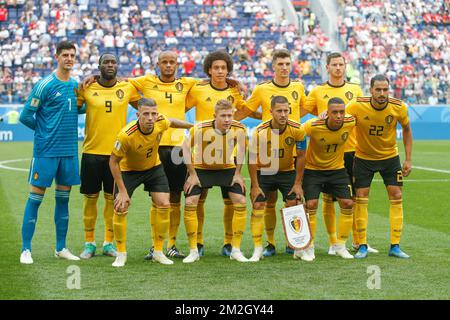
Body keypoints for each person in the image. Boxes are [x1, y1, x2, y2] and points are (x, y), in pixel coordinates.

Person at [234, 48, 307, 257]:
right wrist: (229, 121)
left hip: (290, 151)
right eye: (280, 64)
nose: (284, 68)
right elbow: (247, 111)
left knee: (292, 201)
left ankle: (293, 242)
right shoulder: (261, 89)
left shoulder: (299, 87)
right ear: (273, 66)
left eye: (287, 64)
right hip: (267, 152)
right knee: (269, 200)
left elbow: (306, 107)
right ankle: (271, 243)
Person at [127, 51, 199, 260]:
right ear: (158, 64)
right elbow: (124, 85)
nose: (168, 65)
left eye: (172, 62)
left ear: (177, 65)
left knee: (176, 196)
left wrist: (231, 80)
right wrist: (141, 109)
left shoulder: (186, 83)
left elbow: (209, 82)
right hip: (155, 147)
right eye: (164, 62)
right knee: (157, 198)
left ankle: (172, 244)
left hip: (178, 148)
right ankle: (155, 245)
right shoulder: (147, 81)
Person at [302, 52, 375, 255]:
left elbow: (362, 117)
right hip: (326, 153)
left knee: (355, 198)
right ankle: (333, 242)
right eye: (334, 64)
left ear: (345, 66)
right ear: (327, 67)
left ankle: (360, 241)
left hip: (352, 151)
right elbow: (301, 112)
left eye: (341, 64)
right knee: (326, 199)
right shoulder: (317, 91)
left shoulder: (355, 89)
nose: (337, 68)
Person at [109, 98, 193, 267]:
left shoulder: (160, 122)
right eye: (146, 114)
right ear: (138, 114)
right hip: (128, 171)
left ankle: (158, 251)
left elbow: (173, 122)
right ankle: (121, 253)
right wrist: (123, 191)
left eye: (153, 114)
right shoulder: (126, 135)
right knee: (120, 206)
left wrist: (192, 127)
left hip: (153, 168)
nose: (150, 117)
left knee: (164, 204)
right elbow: (113, 162)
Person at [19, 41, 80, 264]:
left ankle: (61, 247)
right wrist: (43, 132)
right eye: (65, 55)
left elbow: (82, 106)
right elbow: (26, 116)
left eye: (72, 55)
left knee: (63, 200)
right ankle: (26, 249)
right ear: (57, 57)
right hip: (46, 151)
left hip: (69, 152)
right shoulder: (44, 85)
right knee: (35, 199)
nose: (69, 59)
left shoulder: (75, 85)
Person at [77, 53, 141, 259]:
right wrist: (90, 78)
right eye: (106, 62)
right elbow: (73, 108)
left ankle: (107, 243)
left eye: (114, 62)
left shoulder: (127, 88)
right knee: (90, 199)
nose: (110, 65)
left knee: (111, 200)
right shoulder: (87, 87)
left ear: (117, 65)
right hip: (91, 153)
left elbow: (145, 105)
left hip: (116, 155)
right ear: (99, 66)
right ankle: (89, 243)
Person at [185, 50, 249, 257]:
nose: (220, 71)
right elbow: (180, 104)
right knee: (197, 200)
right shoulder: (198, 89)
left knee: (233, 201)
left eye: (224, 68)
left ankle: (230, 244)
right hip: (202, 158)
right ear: (209, 70)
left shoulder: (235, 91)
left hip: (226, 161)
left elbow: (245, 110)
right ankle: (198, 244)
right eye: (216, 68)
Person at [346, 75, 413, 259]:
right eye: (378, 90)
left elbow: (406, 129)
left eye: (385, 90)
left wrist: (408, 159)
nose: (382, 93)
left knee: (397, 195)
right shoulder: (356, 105)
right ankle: (361, 245)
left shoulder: (398, 107)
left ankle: (395, 245)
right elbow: (340, 121)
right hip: (363, 158)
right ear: (371, 90)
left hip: (390, 158)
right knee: (360, 196)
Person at [297, 97, 356, 261]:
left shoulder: (350, 121)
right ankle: (309, 246)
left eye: (341, 112)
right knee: (311, 204)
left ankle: (341, 245)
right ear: (327, 113)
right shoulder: (314, 125)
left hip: (337, 170)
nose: (339, 116)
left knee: (348, 203)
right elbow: (297, 133)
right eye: (334, 112)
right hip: (313, 170)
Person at [248, 96, 306, 262]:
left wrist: (298, 184)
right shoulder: (259, 131)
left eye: (286, 111)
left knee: (293, 203)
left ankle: (296, 245)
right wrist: (255, 186)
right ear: (270, 111)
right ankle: (262, 247)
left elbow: (301, 157)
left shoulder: (297, 129)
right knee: (259, 204)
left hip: (287, 171)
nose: (283, 114)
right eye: (279, 111)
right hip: (264, 171)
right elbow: (251, 159)